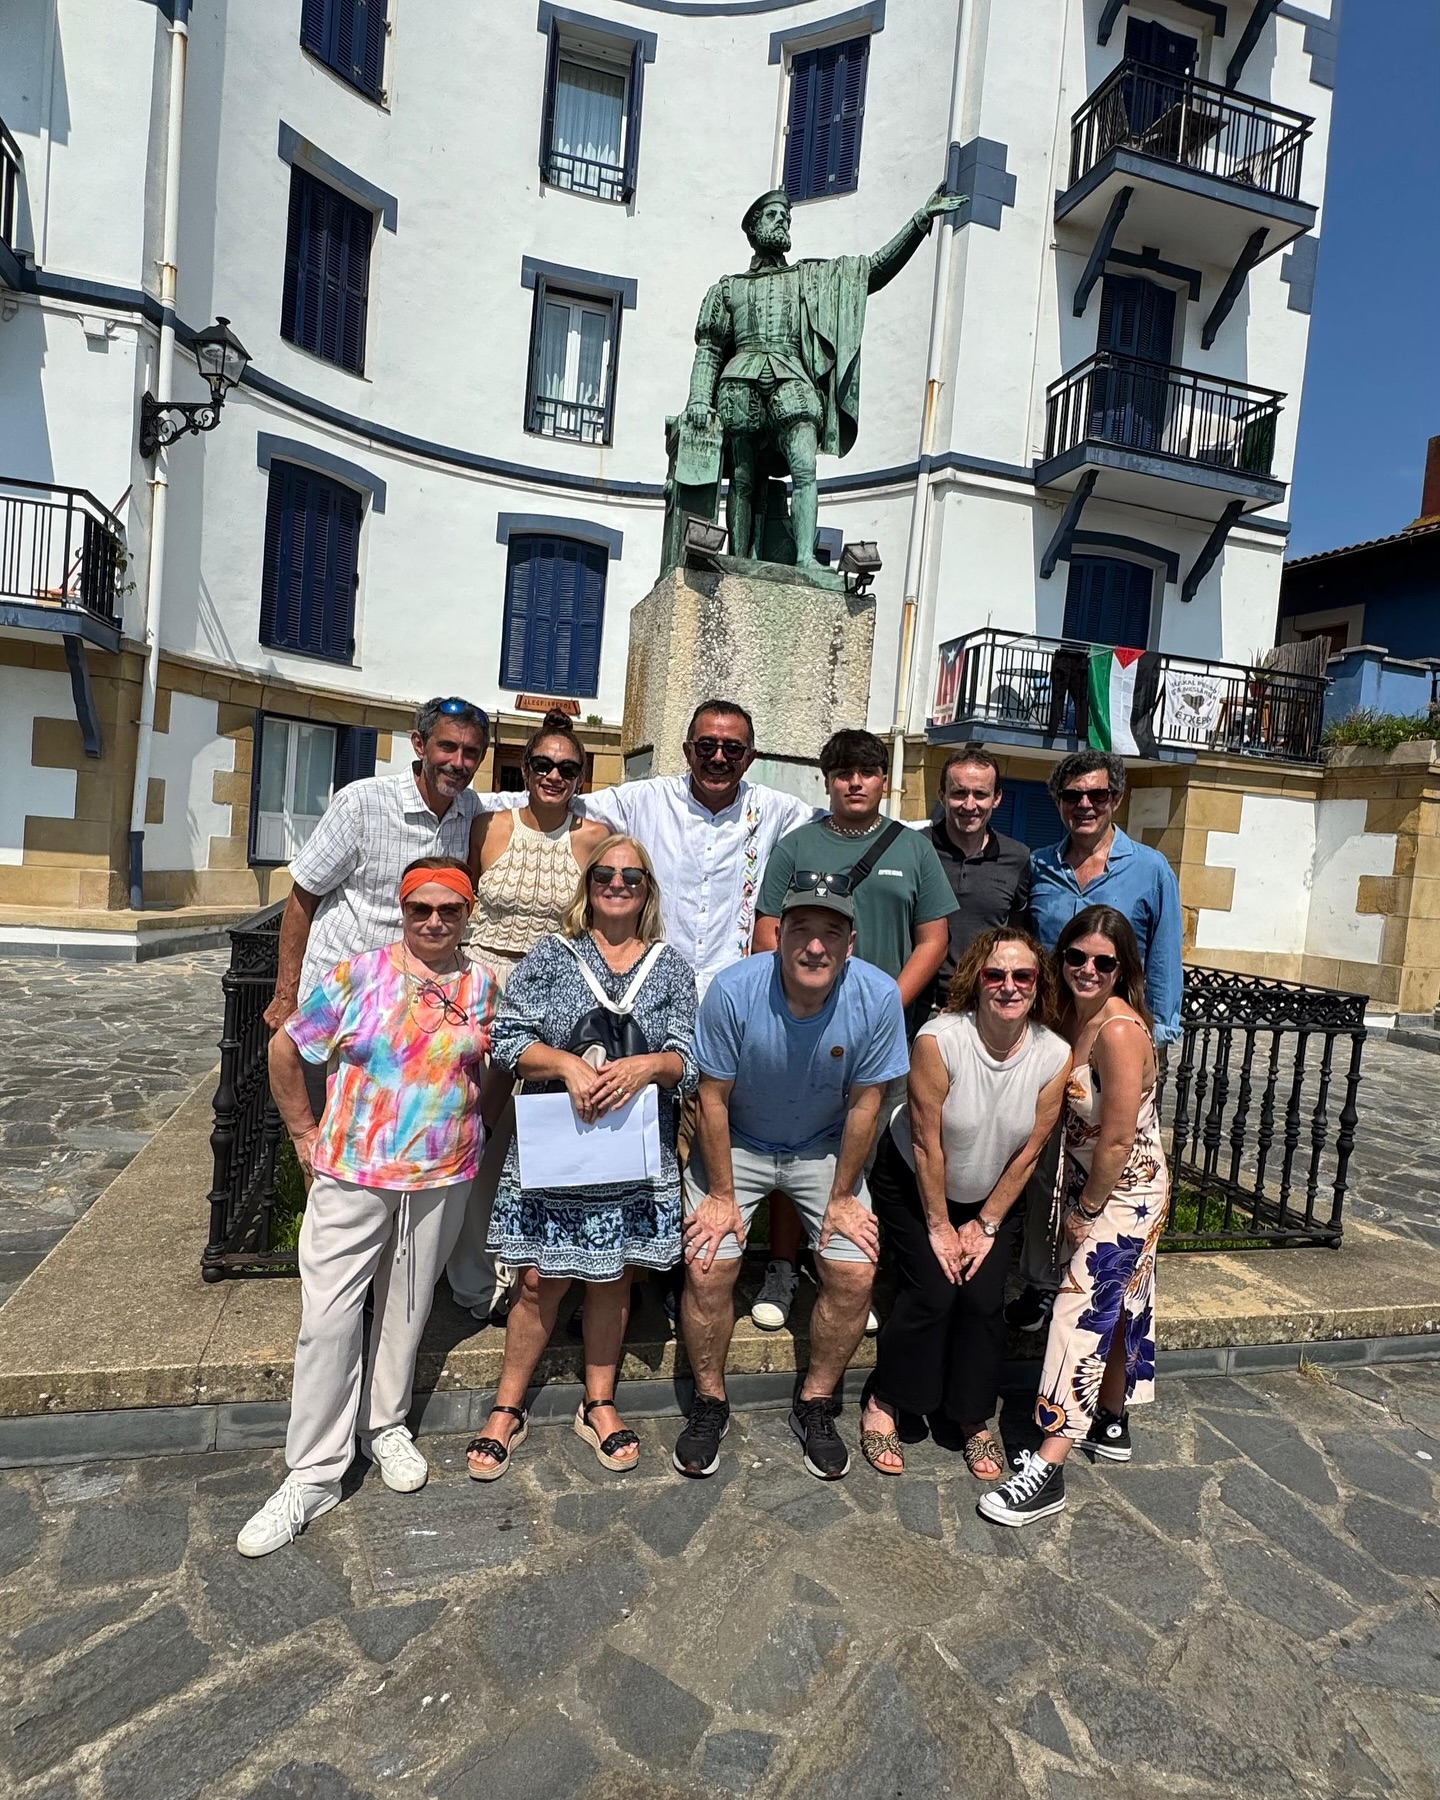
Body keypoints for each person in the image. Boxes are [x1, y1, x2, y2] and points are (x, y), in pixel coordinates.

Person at [237, 858, 497, 1556]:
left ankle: (385, 1425)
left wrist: (478, 1127)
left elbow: (489, 1069)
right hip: (353, 1170)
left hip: (442, 1174)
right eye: (422, 909)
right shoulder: (360, 976)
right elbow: (285, 1049)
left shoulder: (481, 985)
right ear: (403, 911)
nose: (435, 921)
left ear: (467, 914)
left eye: (449, 909)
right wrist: (302, 1132)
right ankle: (314, 1472)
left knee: (408, 1308)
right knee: (329, 1318)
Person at [465, 836, 698, 1480]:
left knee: (613, 1276)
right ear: (587, 884)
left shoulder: (670, 967)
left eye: (632, 875)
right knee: (540, 1280)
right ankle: (507, 1408)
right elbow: (508, 1036)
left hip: (631, 1151)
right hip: (558, 1150)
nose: (618, 883)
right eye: (605, 873)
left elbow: (690, 1056)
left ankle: (599, 1401)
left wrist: (649, 1065)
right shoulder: (551, 957)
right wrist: (565, 1063)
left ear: (647, 890)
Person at [674, 876, 909, 1482]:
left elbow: (867, 1103)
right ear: (778, 937)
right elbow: (713, 1097)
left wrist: (841, 1199)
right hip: (739, 1142)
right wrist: (722, 1196)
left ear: (850, 944)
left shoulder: (878, 996)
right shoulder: (733, 990)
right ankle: (709, 1401)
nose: (814, 947)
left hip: (824, 1147)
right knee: (708, 1262)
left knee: (855, 1270)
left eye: (830, 933)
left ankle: (818, 1403)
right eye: (801, 930)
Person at [751, 728, 956, 1330]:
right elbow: (768, 932)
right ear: (828, 780)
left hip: (883, 1028)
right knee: (798, 1145)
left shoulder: (913, 851)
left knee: (865, 1152)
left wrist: (884, 1003)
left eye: (866, 772)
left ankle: (845, 1266)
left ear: (883, 779)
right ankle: (785, 1267)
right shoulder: (796, 846)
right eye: (843, 773)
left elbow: (933, 938)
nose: (855, 782)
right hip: (805, 1028)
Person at [979, 906, 1168, 1528]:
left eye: (1104, 962)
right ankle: (1111, 1419)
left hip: (1123, 1189)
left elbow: (1114, 1140)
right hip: (1098, 1181)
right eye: (1077, 957)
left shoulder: (1118, 1031)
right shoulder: (1071, 1018)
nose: (1088, 969)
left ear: (1123, 970)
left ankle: (1049, 1464)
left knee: (1079, 1309)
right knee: (1122, 1303)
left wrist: (1086, 1212)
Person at [860, 928, 1070, 1478]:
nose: (1008, 986)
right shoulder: (940, 1039)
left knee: (981, 1301)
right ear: (975, 980)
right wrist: (938, 1225)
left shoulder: (1054, 1053)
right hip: (915, 1186)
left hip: (991, 1196)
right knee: (932, 1291)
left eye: (1022, 975)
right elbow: (927, 1142)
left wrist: (985, 1223)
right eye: (995, 975)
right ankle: (886, 1399)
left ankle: (971, 1416)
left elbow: (1029, 1152)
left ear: (1038, 983)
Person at [1008, 749, 1182, 1336]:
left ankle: (1092, 1270)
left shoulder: (1151, 867)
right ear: (1058, 802)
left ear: (1116, 799)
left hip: (1116, 1045)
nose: (1085, 805)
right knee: (1042, 1162)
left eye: (1098, 795)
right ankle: (1039, 1278)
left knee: (1109, 1156)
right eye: (1073, 795)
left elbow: (1163, 959)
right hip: (1054, 1040)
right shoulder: (1040, 866)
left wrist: (1153, 1038)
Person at [263, 696, 492, 1134]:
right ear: (419, 745)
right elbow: (302, 898)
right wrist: (286, 993)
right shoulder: (361, 804)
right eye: (447, 747)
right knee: (330, 1142)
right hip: (342, 1006)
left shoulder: (471, 813)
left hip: (413, 1020)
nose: (458, 762)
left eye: (471, 753)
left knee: (393, 1140)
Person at [444, 712, 608, 1323]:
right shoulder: (488, 826)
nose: (554, 776)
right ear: (525, 767)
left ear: (580, 775)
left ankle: (533, 1268)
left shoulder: (594, 838)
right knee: (479, 1129)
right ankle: (471, 1272)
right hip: (486, 982)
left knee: (538, 1136)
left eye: (568, 768)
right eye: (543, 765)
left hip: (555, 991)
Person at [926, 746, 1032, 1009]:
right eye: (959, 793)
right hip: (923, 1006)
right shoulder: (917, 850)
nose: (969, 805)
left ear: (996, 798)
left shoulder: (1017, 858)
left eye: (980, 794)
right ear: (942, 795)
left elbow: (1017, 933)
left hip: (986, 1006)